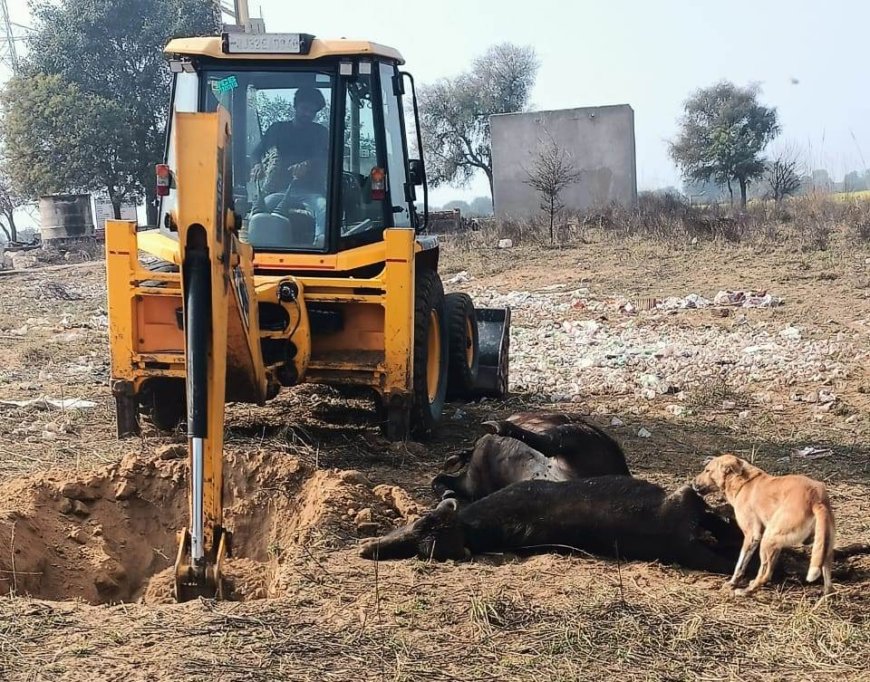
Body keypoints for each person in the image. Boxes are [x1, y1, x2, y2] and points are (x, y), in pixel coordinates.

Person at [250, 86, 329, 245]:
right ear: (295, 106)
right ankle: (256, 246)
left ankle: (320, 243)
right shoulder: (277, 130)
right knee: (260, 209)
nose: (307, 114)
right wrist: (257, 165)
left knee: (323, 207)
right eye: (304, 108)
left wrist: (307, 165)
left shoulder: (320, 133)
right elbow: (255, 153)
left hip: (311, 192)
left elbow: (323, 157)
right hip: (278, 191)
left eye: (312, 111)